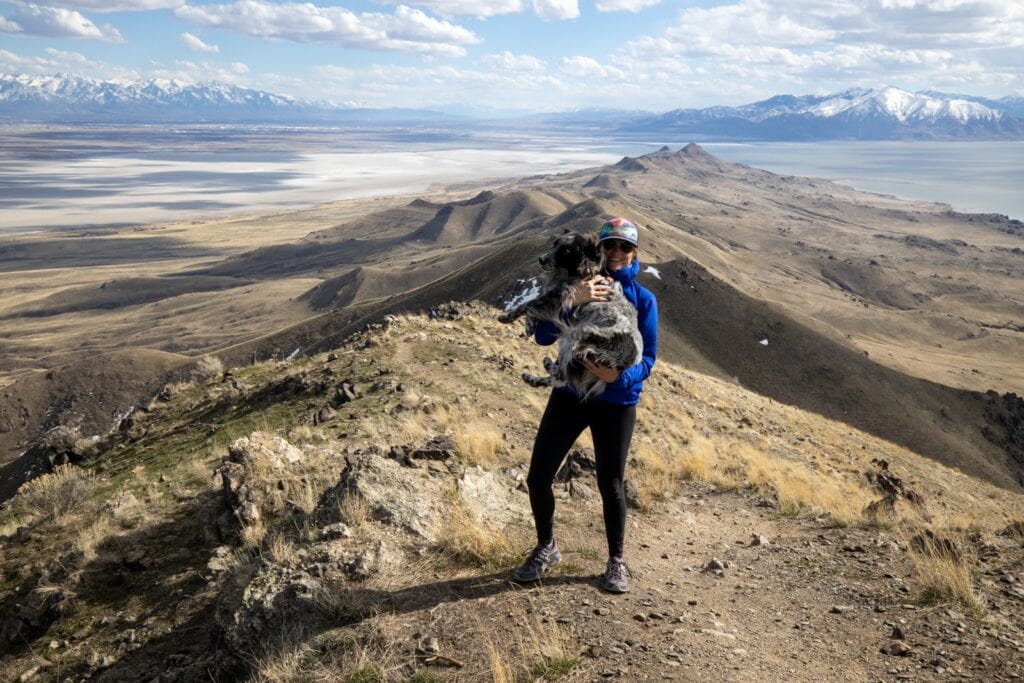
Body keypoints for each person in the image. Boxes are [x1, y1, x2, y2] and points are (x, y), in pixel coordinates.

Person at [512, 217, 658, 593]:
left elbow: (650, 358)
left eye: (625, 248)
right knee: (538, 476)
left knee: (611, 484)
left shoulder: (643, 300)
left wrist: (618, 378)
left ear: (634, 254)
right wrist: (574, 298)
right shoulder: (577, 285)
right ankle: (547, 547)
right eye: (610, 245)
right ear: (599, 248)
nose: (617, 253)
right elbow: (543, 337)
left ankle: (616, 560)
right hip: (571, 395)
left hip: (616, 401)